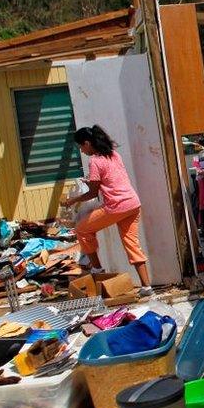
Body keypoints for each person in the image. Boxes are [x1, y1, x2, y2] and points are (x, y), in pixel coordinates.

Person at [61, 125, 152, 297]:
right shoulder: (114, 155)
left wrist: (72, 200)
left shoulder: (94, 161)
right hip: (133, 203)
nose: (81, 150)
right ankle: (146, 286)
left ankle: (97, 268)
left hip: (116, 206)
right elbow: (109, 180)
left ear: (87, 143)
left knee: (82, 229)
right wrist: (92, 183)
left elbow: (94, 192)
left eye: (81, 147)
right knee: (131, 243)